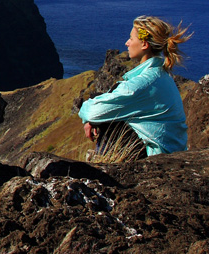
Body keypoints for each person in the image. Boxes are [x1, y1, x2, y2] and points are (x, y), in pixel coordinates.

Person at [79, 16, 192, 159]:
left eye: (131, 39)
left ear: (144, 44)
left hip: (155, 158)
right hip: (169, 152)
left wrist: (91, 119)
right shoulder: (160, 75)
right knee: (106, 103)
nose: (126, 43)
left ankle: (107, 164)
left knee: (108, 114)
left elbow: (93, 112)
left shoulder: (144, 83)